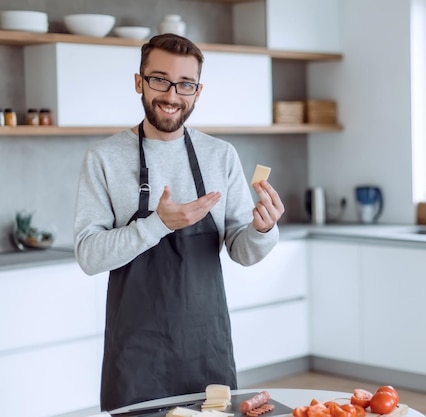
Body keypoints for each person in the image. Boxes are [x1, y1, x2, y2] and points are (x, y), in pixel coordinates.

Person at [73, 33, 285, 412]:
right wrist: (157, 224)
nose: (172, 95)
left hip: (206, 349)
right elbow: (89, 255)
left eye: (185, 84)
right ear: (139, 82)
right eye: (159, 79)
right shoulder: (103, 158)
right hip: (137, 353)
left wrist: (263, 230)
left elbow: (242, 250)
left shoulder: (221, 156)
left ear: (197, 91)